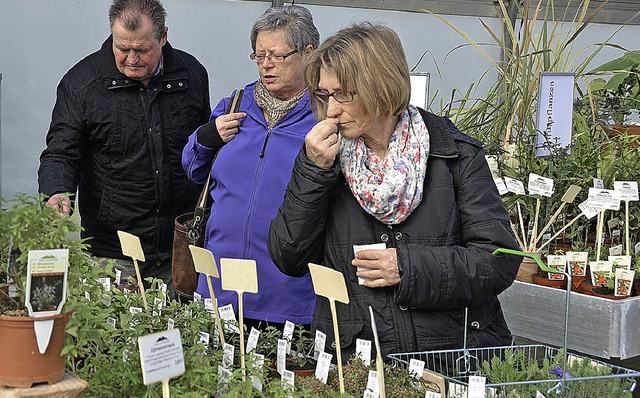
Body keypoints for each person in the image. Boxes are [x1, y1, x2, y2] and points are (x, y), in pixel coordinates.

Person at [268, 23, 523, 362]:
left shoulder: (453, 154)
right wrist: (313, 172)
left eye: (344, 94)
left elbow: (499, 259)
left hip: (451, 359)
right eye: (325, 95)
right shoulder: (325, 158)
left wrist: (409, 267)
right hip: (359, 362)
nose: (332, 111)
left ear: (381, 86)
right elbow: (288, 257)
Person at [38, 0, 211, 289]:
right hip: (113, 249)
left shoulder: (191, 75)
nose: (131, 59)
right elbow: (61, 152)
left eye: (142, 50)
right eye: (122, 48)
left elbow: (202, 152)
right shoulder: (82, 84)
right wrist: (56, 191)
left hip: (178, 244)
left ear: (163, 36)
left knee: (177, 331)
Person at [182, 5, 319, 329]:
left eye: (277, 56)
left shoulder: (323, 117)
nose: (266, 65)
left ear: (308, 53)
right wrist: (206, 137)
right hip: (220, 287)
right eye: (259, 56)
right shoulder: (235, 105)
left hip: (286, 297)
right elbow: (192, 169)